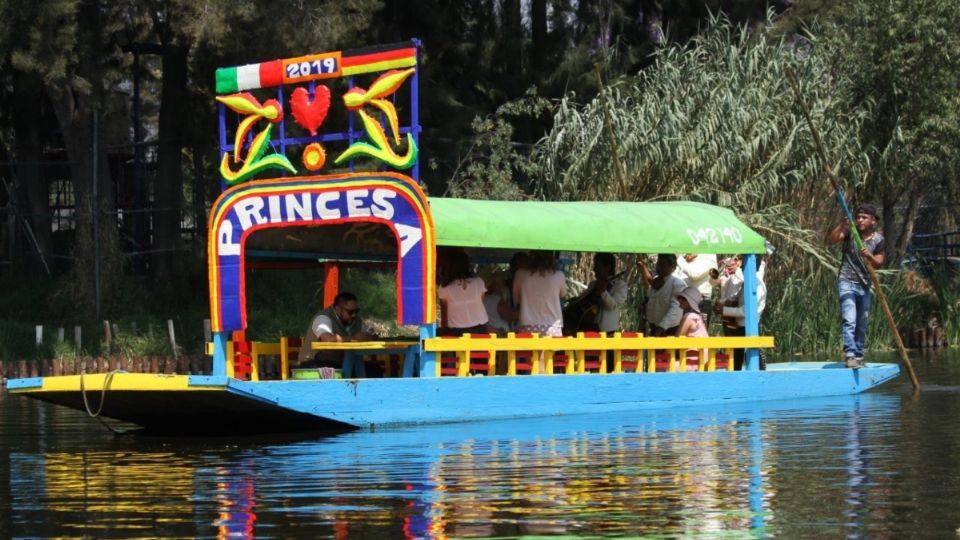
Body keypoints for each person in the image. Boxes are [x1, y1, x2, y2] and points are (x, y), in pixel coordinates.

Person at [828, 203, 886, 368]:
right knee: (850, 319)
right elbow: (831, 240)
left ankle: (859, 354)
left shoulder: (878, 239)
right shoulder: (850, 232)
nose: (860, 220)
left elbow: (879, 263)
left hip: (864, 284)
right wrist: (842, 224)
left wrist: (870, 257)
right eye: (858, 217)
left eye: (864, 217)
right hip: (846, 281)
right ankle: (850, 355)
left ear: (873, 221)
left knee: (862, 321)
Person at [714, 255, 767, 370]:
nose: (740, 268)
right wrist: (722, 303)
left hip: (750, 327)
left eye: (743, 266)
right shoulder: (748, 282)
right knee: (736, 359)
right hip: (740, 326)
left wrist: (723, 310)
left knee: (755, 360)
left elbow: (746, 311)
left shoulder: (757, 286)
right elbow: (736, 298)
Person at [297, 292, 376, 368]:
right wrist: (354, 338)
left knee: (374, 371)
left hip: (340, 363)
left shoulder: (356, 320)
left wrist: (366, 338)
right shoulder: (323, 318)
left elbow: (371, 336)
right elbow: (327, 339)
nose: (354, 315)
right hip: (314, 363)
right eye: (350, 312)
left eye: (356, 311)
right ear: (338, 309)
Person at [565, 253, 628, 334]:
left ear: (608, 267)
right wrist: (576, 301)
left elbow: (612, 306)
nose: (594, 269)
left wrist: (603, 292)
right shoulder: (593, 284)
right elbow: (586, 301)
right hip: (588, 328)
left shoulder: (620, 285)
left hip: (607, 331)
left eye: (598, 266)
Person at [513, 250, 567, 337]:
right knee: (550, 351)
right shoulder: (559, 275)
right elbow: (562, 295)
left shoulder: (520, 274)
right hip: (553, 325)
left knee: (528, 351)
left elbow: (517, 298)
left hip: (527, 325)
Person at [437, 250, 489, 336]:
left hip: (456, 332)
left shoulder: (445, 288)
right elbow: (480, 303)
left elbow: (444, 317)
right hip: (480, 331)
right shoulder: (479, 282)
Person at [638, 254, 686, 336]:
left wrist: (661, 327)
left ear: (672, 268)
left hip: (669, 331)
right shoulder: (656, 280)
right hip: (654, 328)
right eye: (658, 264)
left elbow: (675, 309)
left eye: (662, 266)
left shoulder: (677, 284)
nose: (658, 268)